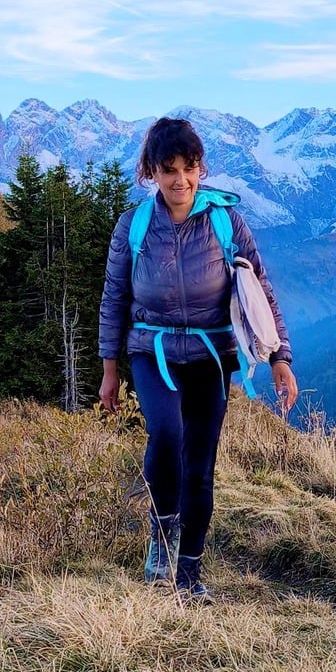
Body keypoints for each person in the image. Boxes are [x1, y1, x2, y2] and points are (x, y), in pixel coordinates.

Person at [98, 115, 298, 598]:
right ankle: (161, 531)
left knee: (200, 463)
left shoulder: (225, 221)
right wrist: (109, 371)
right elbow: (114, 297)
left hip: (211, 353)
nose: (180, 180)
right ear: (152, 173)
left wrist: (279, 357)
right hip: (153, 351)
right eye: (169, 170)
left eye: (189, 168)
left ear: (201, 168)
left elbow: (260, 289)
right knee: (166, 434)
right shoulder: (135, 225)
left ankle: (189, 573)